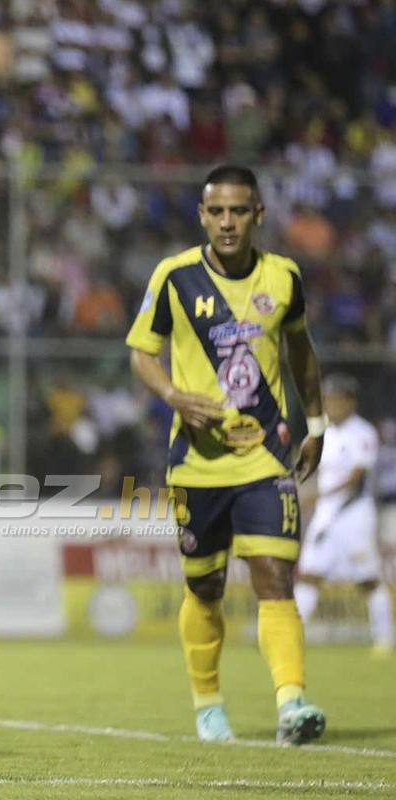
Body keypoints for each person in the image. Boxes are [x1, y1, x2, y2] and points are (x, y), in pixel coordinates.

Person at [126, 165, 328, 745]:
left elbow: (302, 353)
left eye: (238, 210)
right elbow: (141, 351)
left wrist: (315, 424)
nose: (227, 222)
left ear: (258, 214)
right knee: (205, 588)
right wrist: (171, 395)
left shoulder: (283, 278)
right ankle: (208, 704)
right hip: (196, 462)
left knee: (274, 577)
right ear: (202, 216)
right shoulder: (175, 277)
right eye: (216, 211)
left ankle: (292, 703)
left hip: (266, 457)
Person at [294, 374, 392, 656]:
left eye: (337, 400)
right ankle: (293, 637)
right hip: (326, 515)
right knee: (309, 574)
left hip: (354, 515)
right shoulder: (323, 433)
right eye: (328, 400)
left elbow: (356, 479)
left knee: (367, 579)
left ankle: (385, 639)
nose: (331, 405)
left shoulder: (362, 433)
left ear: (351, 402)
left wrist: (319, 496)